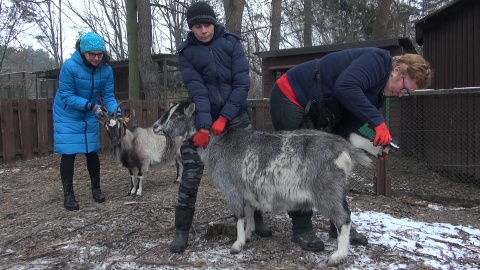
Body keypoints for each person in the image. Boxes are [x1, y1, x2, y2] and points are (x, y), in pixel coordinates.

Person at [269, 47, 432, 251]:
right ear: (397, 70)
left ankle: (339, 224)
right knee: (301, 165)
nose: (401, 94)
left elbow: (347, 126)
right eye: (405, 88)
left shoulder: (375, 96)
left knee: (334, 166)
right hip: (291, 96)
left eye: (406, 94)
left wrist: (372, 141)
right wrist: (378, 121)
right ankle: (302, 228)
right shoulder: (378, 61)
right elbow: (345, 86)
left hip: (316, 110)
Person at [170, 1, 272, 253]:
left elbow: (241, 85)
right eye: (197, 27)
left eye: (207, 25)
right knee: (191, 172)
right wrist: (204, 127)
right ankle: (181, 230)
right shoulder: (186, 54)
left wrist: (224, 117)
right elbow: (198, 92)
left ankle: (256, 220)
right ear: (191, 29)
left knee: (251, 170)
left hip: (236, 117)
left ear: (214, 24)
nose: (203, 31)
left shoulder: (231, 44)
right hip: (202, 121)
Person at [53, 32, 120, 211]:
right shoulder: (69, 67)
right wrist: (91, 106)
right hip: (67, 112)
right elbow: (66, 96)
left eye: (100, 54)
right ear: (83, 53)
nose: (96, 58)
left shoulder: (106, 70)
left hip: (91, 109)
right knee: (69, 153)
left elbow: (108, 95)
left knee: (92, 150)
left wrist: (116, 112)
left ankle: (96, 189)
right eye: (92, 55)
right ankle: (68, 195)